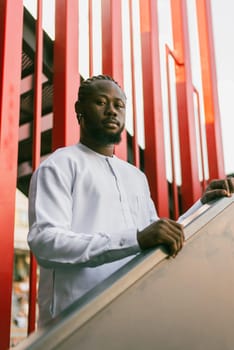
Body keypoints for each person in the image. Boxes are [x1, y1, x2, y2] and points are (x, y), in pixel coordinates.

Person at [28, 75, 234, 327]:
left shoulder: (135, 176)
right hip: (73, 326)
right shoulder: (59, 166)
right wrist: (135, 239)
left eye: (119, 105)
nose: (112, 111)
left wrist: (202, 206)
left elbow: (155, 238)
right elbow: (46, 243)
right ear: (79, 110)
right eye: (101, 102)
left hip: (129, 316)